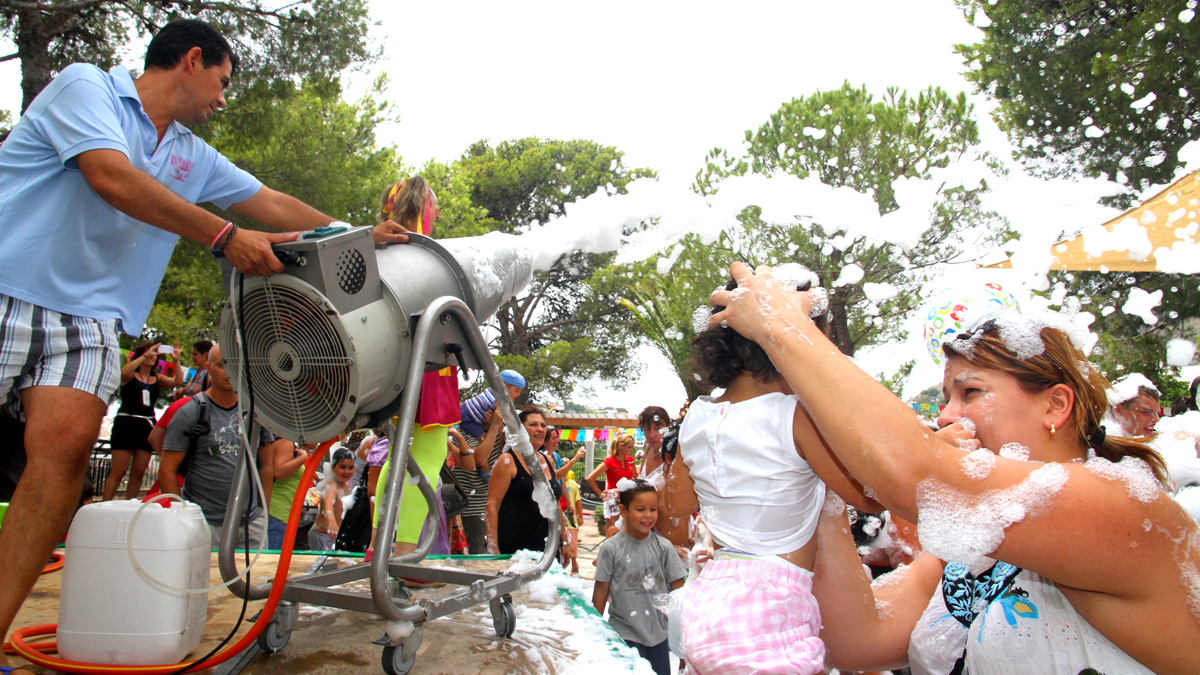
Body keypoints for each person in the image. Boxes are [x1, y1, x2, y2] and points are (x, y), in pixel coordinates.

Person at [0, 19, 410, 651]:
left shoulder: (190, 152)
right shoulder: (88, 89)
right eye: (221, 82)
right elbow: (109, 176)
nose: (224, 100)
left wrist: (357, 234)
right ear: (191, 60)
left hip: (88, 323)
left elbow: (268, 203)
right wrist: (221, 236)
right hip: (8, 289)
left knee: (65, 456)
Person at [711, 262, 1200, 674]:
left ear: (1055, 406)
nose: (945, 416)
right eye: (946, 397)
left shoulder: (1127, 509)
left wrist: (782, 329)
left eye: (971, 392)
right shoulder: (968, 552)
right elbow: (858, 641)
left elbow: (917, 479)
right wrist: (813, 485)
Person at [658, 277, 879, 674]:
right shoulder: (796, 416)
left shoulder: (698, 416)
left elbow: (675, 507)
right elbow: (870, 496)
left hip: (710, 599)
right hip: (771, 609)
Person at [367, 177, 463, 563]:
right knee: (426, 460)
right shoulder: (423, 254)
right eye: (435, 204)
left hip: (393, 367)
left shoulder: (378, 247)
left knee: (396, 460)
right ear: (424, 204)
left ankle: (377, 547)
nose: (439, 213)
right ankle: (404, 553)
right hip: (429, 368)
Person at [159, 344, 287, 548]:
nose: (229, 371)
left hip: (250, 522)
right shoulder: (190, 412)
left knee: (255, 578)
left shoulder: (256, 413)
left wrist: (263, 511)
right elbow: (167, 470)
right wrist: (183, 516)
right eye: (222, 365)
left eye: (236, 364)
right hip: (205, 522)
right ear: (208, 367)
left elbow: (265, 465)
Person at [593, 479, 688, 675]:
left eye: (653, 509)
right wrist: (594, 628)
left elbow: (680, 594)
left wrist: (683, 640)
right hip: (622, 636)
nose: (648, 516)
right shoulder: (611, 548)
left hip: (658, 638)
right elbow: (600, 592)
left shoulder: (664, 547)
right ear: (623, 511)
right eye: (640, 509)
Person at [102, 341, 185, 501]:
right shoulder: (130, 375)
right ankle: (104, 503)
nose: (153, 357)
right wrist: (146, 355)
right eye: (150, 353)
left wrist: (176, 360)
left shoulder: (156, 378)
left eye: (155, 354)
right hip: (126, 424)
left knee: (139, 471)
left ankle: (130, 503)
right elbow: (123, 373)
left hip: (146, 425)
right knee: (119, 470)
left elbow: (178, 382)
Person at [486, 407, 567, 554]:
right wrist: (493, 547)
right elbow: (492, 506)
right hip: (514, 546)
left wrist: (565, 541)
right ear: (519, 430)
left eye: (543, 425)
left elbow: (555, 503)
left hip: (547, 546)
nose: (540, 429)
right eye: (533, 425)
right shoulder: (507, 461)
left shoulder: (549, 461)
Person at [451, 409, 506, 553]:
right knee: (474, 558)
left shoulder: (494, 436)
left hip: (486, 509)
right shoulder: (464, 435)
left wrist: (499, 430)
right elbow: (480, 458)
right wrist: (494, 427)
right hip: (469, 510)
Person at [586, 432, 639, 538]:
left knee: (627, 531)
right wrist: (601, 495)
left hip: (627, 498)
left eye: (632, 447)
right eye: (629, 447)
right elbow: (590, 478)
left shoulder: (630, 460)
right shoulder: (610, 461)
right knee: (612, 531)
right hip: (613, 499)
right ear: (621, 446)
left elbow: (636, 477)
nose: (631, 450)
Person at [267, 433, 314, 549]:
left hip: (279, 513)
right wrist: (303, 458)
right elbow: (279, 472)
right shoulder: (286, 442)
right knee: (274, 560)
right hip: (278, 513)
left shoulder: (284, 442)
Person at [308, 448, 355, 551]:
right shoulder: (332, 485)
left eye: (350, 468)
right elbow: (327, 504)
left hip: (332, 535)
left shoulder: (344, 486)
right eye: (342, 467)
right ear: (333, 468)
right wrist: (332, 523)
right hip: (322, 534)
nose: (347, 471)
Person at [459, 369, 525, 439]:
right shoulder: (498, 401)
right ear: (505, 387)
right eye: (517, 391)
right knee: (483, 439)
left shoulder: (490, 390)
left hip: (463, 407)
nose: (519, 394)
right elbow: (505, 418)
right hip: (468, 419)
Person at [1107, 373, 1162, 438]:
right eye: (1147, 412)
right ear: (1118, 410)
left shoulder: (1161, 442)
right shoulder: (1100, 445)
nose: (1156, 419)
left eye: (1157, 413)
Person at [636, 406, 672, 478]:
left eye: (658, 429)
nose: (652, 435)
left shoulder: (674, 454)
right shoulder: (649, 448)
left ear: (669, 427)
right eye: (647, 429)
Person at [563, 470, 583, 575]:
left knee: (573, 544)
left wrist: (580, 516)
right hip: (560, 517)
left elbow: (578, 500)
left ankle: (574, 563)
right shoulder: (554, 482)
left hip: (571, 519)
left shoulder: (572, 484)